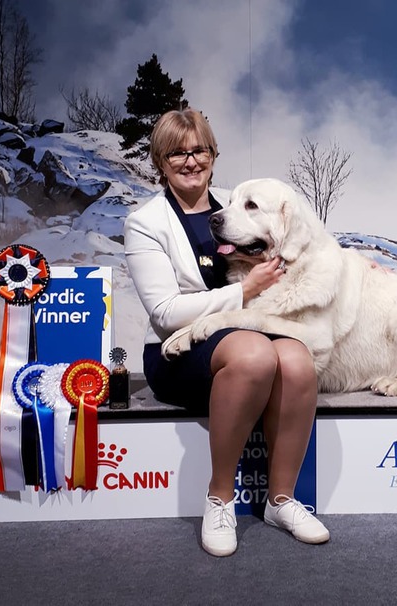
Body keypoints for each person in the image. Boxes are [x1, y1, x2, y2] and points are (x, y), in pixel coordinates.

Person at [124, 108, 329, 557]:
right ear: (160, 160)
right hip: (176, 350)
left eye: (199, 149)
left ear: (213, 154)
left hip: (247, 329)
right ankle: (220, 498)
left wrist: (356, 264)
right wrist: (245, 292)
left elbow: (302, 242)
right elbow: (165, 312)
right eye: (177, 152)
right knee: (256, 353)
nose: (190, 160)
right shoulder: (146, 223)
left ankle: (281, 500)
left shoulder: (237, 202)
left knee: (296, 359)